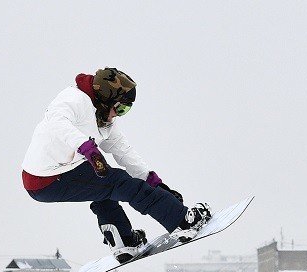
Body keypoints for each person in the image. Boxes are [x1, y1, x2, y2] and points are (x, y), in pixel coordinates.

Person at [21, 68, 212, 261]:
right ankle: (181, 222)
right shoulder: (73, 99)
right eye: (120, 108)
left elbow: (125, 152)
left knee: (105, 186)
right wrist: (86, 147)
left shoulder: (104, 122)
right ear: (106, 99)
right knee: (120, 183)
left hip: (58, 173)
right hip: (46, 177)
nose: (119, 115)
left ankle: (123, 242)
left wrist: (155, 184)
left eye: (126, 110)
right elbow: (57, 122)